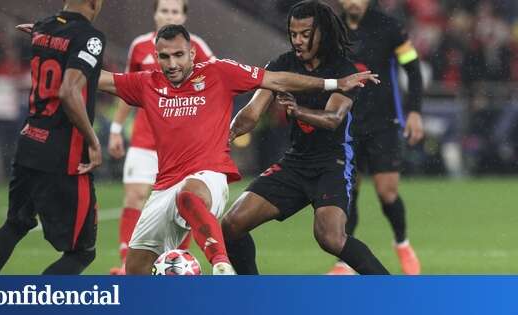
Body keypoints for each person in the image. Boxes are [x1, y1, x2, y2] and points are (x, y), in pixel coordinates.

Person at [97, 24, 379, 275]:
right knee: (136, 272)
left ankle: (221, 264)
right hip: (164, 186)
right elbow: (101, 79)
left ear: (192, 54)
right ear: (157, 57)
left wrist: (333, 84)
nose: (172, 63)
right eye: (165, 57)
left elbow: (276, 79)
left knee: (189, 195)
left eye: (179, 55)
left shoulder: (219, 72)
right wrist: (71, 59)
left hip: (208, 176)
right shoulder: (147, 83)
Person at [221, 0, 389, 275]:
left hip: (332, 163)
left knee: (330, 237)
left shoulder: (345, 70)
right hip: (296, 162)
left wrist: (297, 111)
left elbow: (333, 119)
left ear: (321, 32)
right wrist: (226, 134)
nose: (297, 41)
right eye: (293, 34)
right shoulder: (281, 65)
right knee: (231, 225)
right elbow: (253, 112)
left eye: (305, 34)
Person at [0, 0, 105, 275]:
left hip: (29, 143)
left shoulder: (43, 27)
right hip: (64, 154)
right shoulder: (90, 37)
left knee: (15, 223)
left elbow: (51, 34)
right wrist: (93, 141)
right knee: (82, 252)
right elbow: (69, 92)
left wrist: (40, 33)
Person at [108, 0, 215, 275]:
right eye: (164, 10)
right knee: (134, 196)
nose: (169, 15)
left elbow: (214, 87)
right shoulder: (140, 46)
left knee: (182, 205)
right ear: (155, 15)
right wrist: (117, 128)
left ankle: (177, 260)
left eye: (175, 11)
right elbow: (125, 88)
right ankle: (126, 261)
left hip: (182, 143)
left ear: (184, 17)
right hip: (144, 137)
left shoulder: (198, 49)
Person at [328, 0, 424, 275]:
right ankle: (343, 262)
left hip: (384, 122)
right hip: (346, 124)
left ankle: (402, 244)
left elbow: (413, 68)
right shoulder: (330, 29)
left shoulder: (389, 26)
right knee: (348, 194)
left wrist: (415, 111)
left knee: (387, 192)